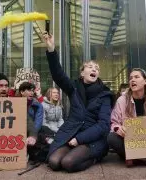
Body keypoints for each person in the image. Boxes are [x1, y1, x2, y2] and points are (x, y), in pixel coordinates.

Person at [43, 32, 113, 172]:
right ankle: (75, 153)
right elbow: (58, 75)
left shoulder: (105, 94)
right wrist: (51, 50)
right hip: (71, 133)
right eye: (90, 67)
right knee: (54, 162)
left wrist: (80, 139)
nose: (94, 69)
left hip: (93, 139)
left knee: (68, 163)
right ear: (82, 73)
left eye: (97, 68)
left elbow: (104, 125)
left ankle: (94, 157)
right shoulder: (74, 88)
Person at [18, 82, 50, 162]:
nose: (32, 92)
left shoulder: (38, 105)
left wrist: (32, 136)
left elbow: (38, 123)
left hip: (32, 132)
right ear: (22, 92)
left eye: (32, 90)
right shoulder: (14, 103)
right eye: (29, 90)